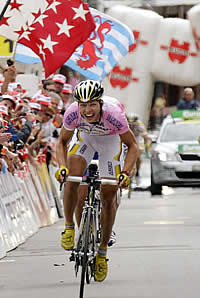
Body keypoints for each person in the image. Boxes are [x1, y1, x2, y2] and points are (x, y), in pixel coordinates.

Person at [55, 80, 138, 282]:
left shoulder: (114, 115)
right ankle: (69, 227)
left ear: (100, 103)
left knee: (108, 196)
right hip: (85, 140)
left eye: (92, 104)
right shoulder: (72, 112)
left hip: (111, 143)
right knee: (72, 181)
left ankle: (101, 253)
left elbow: (133, 146)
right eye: (83, 105)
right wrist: (61, 167)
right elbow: (62, 142)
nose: (87, 110)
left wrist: (125, 173)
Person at [127, 112, 151, 177]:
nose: (131, 126)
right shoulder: (125, 124)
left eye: (133, 125)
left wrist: (147, 146)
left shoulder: (140, 125)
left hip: (137, 138)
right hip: (128, 137)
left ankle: (137, 169)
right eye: (130, 124)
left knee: (136, 156)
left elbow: (147, 138)